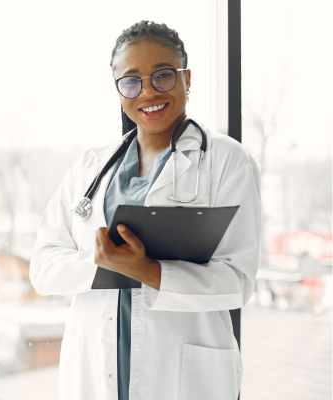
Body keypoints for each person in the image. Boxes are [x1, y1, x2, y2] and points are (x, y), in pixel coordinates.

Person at [30, 21, 261, 400]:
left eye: (163, 76)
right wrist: (107, 265)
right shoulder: (90, 167)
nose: (148, 91)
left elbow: (237, 281)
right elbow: (43, 269)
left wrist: (150, 272)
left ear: (186, 78)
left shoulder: (227, 160)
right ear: (119, 91)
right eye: (132, 80)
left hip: (182, 374)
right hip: (96, 368)